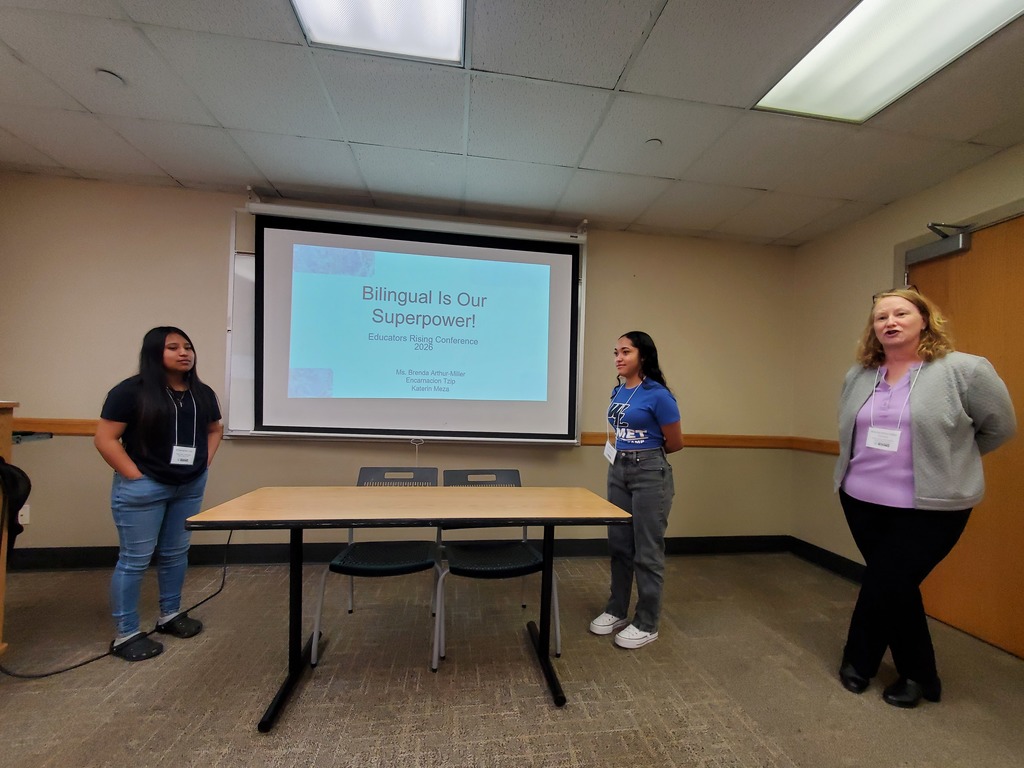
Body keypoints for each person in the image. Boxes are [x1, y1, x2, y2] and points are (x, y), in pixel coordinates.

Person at [834, 288, 1015, 707]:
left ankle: (876, 665)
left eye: (901, 313)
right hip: (860, 499)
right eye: (881, 317)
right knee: (895, 586)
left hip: (931, 507)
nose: (890, 322)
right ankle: (900, 672)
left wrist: (952, 462)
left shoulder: (964, 370)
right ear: (874, 329)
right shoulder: (859, 375)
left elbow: (1000, 427)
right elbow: (852, 433)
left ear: (924, 320)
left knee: (888, 581)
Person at [94, 327, 223, 662]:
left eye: (188, 347)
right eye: (173, 347)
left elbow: (214, 428)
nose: (185, 353)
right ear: (154, 353)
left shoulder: (202, 392)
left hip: (189, 485)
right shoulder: (130, 391)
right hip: (145, 486)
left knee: (175, 554)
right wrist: (134, 476)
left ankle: (170, 615)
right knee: (134, 560)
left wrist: (202, 462)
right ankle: (126, 634)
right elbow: (105, 439)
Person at [590, 331, 684, 649]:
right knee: (619, 544)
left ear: (642, 355)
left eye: (626, 351)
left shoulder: (658, 394)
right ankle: (616, 609)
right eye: (616, 351)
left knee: (647, 550)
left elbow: (675, 442)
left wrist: (644, 456)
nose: (618, 357)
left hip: (649, 472)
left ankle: (646, 622)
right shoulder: (619, 391)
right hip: (618, 470)